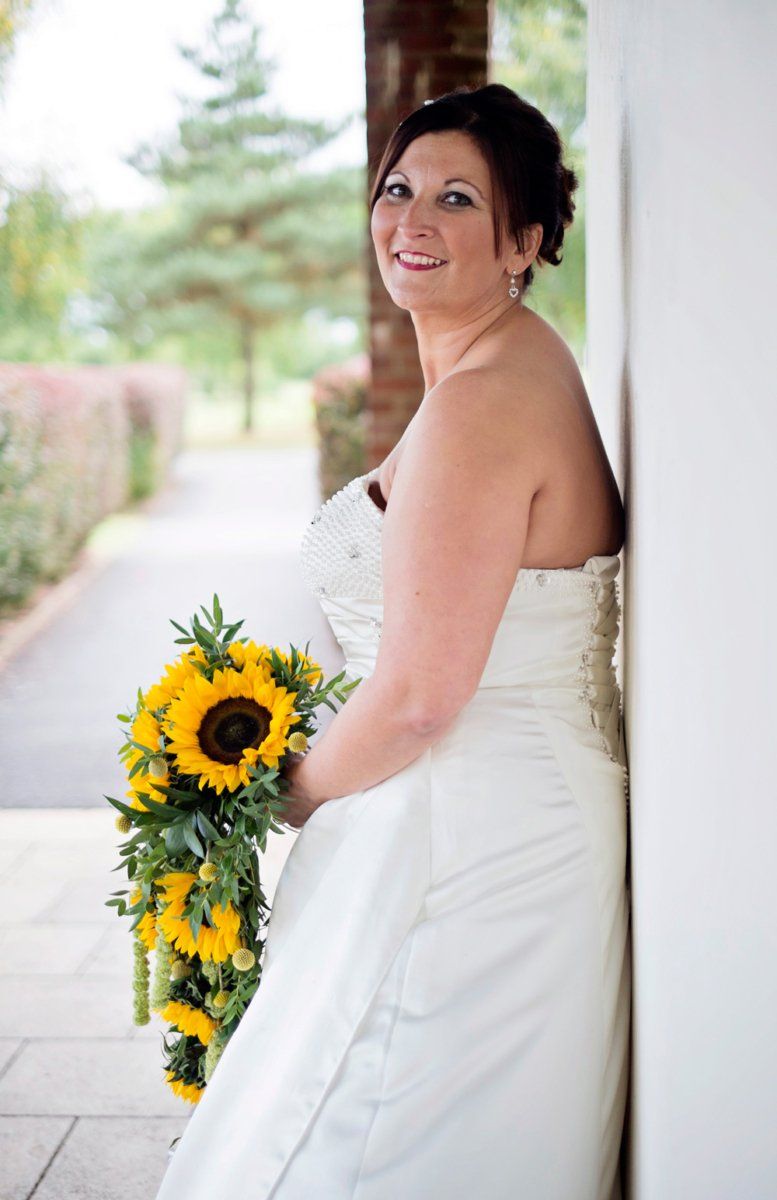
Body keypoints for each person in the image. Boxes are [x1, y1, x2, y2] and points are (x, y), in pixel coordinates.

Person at [154, 82, 631, 1200]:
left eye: (457, 199)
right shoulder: (499, 367)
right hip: (491, 810)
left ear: (524, 240)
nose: (411, 221)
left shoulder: (483, 402)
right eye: (398, 189)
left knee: (373, 1129)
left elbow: (420, 696)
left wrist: (272, 795)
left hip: (472, 840)